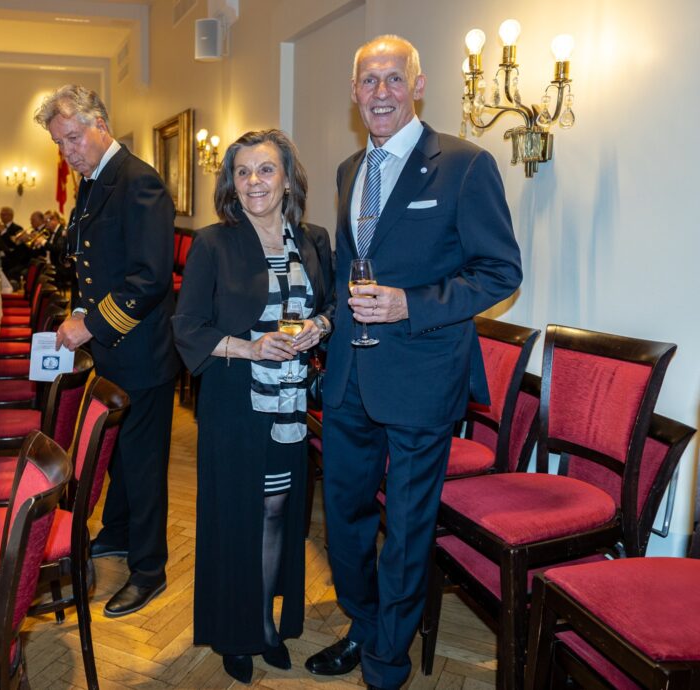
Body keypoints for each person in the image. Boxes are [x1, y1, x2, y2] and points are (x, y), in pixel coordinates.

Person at [305, 35, 522, 689]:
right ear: (353, 91)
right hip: (349, 375)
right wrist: (327, 324)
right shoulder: (349, 170)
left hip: (423, 379)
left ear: (419, 85)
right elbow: (350, 270)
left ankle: (387, 659)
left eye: (394, 78)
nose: (381, 93)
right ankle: (365, 623)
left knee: (405, 525)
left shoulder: (465, 164)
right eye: (369, 80)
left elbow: (500, 272)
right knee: (344, 516)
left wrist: (411, 304)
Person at [172, 130, 334, 683]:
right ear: (231, 184)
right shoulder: (213, 243)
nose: (254, 182)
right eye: (242, 172)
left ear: (287, 179)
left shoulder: (313, 240)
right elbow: (188, 326)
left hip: (290, 399)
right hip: (235, 400)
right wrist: (250, 347)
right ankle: (235, 629)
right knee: (237, 512)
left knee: (278, 509)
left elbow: (334, 304)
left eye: (266, 170)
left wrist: (319, 326)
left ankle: (266, 619)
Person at [37, 84, 180, 617]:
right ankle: (118, 532)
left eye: (73, 138)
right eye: (59, 143)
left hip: (142, 352)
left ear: (100, 124)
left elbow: (149, 280)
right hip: (114, 350)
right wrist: (80, 313)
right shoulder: (96, 179)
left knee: (143, 466)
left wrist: (91, 325)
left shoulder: (138, 181)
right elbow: (93, 266)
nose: (67, 151)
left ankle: (149, 570)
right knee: (119, 454)